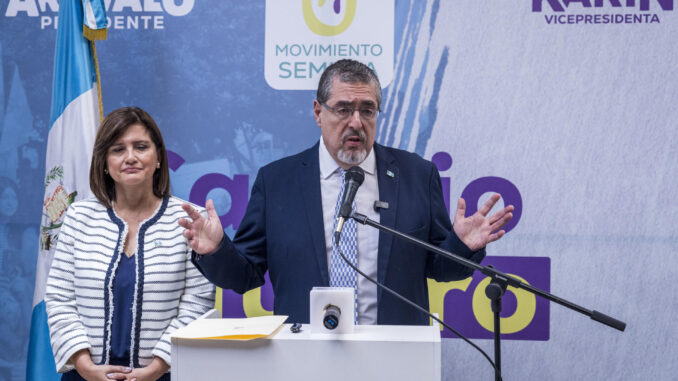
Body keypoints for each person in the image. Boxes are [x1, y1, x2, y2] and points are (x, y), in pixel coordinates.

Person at [180, 59, 513, 325]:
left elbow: (443, 269)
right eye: (343, 109)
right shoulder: (277, 182)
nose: (356, 121)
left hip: (393, 356)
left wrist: (461, 246)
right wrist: (216, 251)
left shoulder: (416, 175)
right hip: (304, 358)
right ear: (318, 112)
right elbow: (246, 276)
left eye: (367, 110)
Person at [45, 107, 215, 381]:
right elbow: (60, 299)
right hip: (85, 376)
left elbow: (198, 303)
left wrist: (155, 368)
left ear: (158, 157)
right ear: (104, 162)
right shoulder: (78, 217)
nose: (130, 157)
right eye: (117, 149)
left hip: (165, 375)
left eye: (141, 147)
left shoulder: (190, 219)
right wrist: (85, 366)